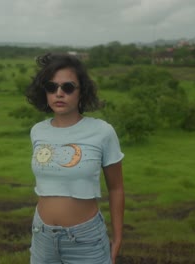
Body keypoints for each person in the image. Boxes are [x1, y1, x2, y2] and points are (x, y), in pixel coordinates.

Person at [26, 53, 125, 264]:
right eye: (51, 87)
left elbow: (116, 188)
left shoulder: (102, 132)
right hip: (42, 235)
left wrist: (117, 238)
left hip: (86, 239)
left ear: (82, 92)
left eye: (68, 87)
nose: (59, 93)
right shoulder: (38, 131)